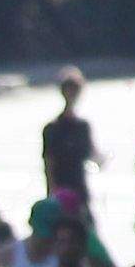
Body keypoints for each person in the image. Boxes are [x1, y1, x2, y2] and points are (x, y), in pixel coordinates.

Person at [37, 70, 100, 205]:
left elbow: (91, 154)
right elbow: (48, 162)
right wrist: (51, 191)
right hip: (60, 187)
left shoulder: (83, 127)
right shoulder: (52, 128)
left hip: (80, 185)